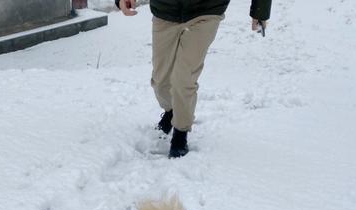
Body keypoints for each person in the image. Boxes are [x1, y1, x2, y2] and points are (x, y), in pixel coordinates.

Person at [116, 0, 272, 158]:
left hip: (205, 10)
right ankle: (171, 111)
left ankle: (180, 133)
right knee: (160, 81)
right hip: (165, 10)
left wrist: (260, 11)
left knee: (183, 79)